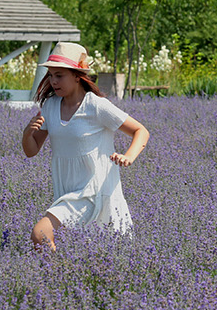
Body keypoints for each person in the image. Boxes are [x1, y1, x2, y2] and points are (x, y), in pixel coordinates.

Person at [21, 43, 148, 252]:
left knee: (40, 233)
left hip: (93, 191)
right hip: (67, 190)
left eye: (59, 75)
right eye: (51, 75)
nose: (53, 81)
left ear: (77, 75)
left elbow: (140, 130)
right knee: (91, 252)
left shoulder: (96, 106)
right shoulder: (50, 106)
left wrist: (129, 156)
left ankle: (55, 280)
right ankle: (61, 280)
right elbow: (31, 150)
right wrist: (27, 134)